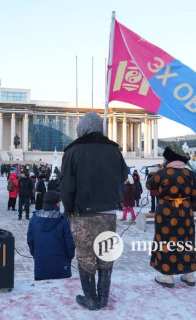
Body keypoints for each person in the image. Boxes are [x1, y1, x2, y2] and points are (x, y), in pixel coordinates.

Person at [60, 113, 128, 311]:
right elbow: (123, 175)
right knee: (106, 254)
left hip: (83, 213)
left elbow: (67, 186)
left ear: (82, 128)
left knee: (86, 255)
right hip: (108, 213)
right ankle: (104, 298)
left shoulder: (73, 150)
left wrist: (69, 208)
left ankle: (91, 299)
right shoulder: (114, 150)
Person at [146, 143, 196, 289]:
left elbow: (150, 185)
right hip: (186, 211)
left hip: (166, 212)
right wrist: (193, 209)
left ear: (168, 159)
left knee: (165, 240)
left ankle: (167, 276)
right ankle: (189, 274)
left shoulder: (163, 173)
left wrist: (154, 172)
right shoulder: (191, 174)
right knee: (186, 239)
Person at [27, 190, 75, 280]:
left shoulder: (34, 219)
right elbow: (70, 244)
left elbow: (30, 241)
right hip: (61, 266)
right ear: (56, 204)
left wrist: (35, 255)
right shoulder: (64, 221)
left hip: (40, 265)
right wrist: (69, 258)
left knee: (41, 292)